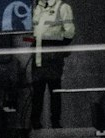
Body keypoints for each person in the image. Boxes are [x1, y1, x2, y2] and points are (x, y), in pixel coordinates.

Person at [29, 0, 75, 129]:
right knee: (37, 92)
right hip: (38, 57)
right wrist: (33, 42)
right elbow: (33, 33)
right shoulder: (37, 8)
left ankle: (55, 122)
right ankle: (35, 122)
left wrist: (57, 48)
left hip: (52, 58)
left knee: (54, 91)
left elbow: (69, 32)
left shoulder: (63, 7)